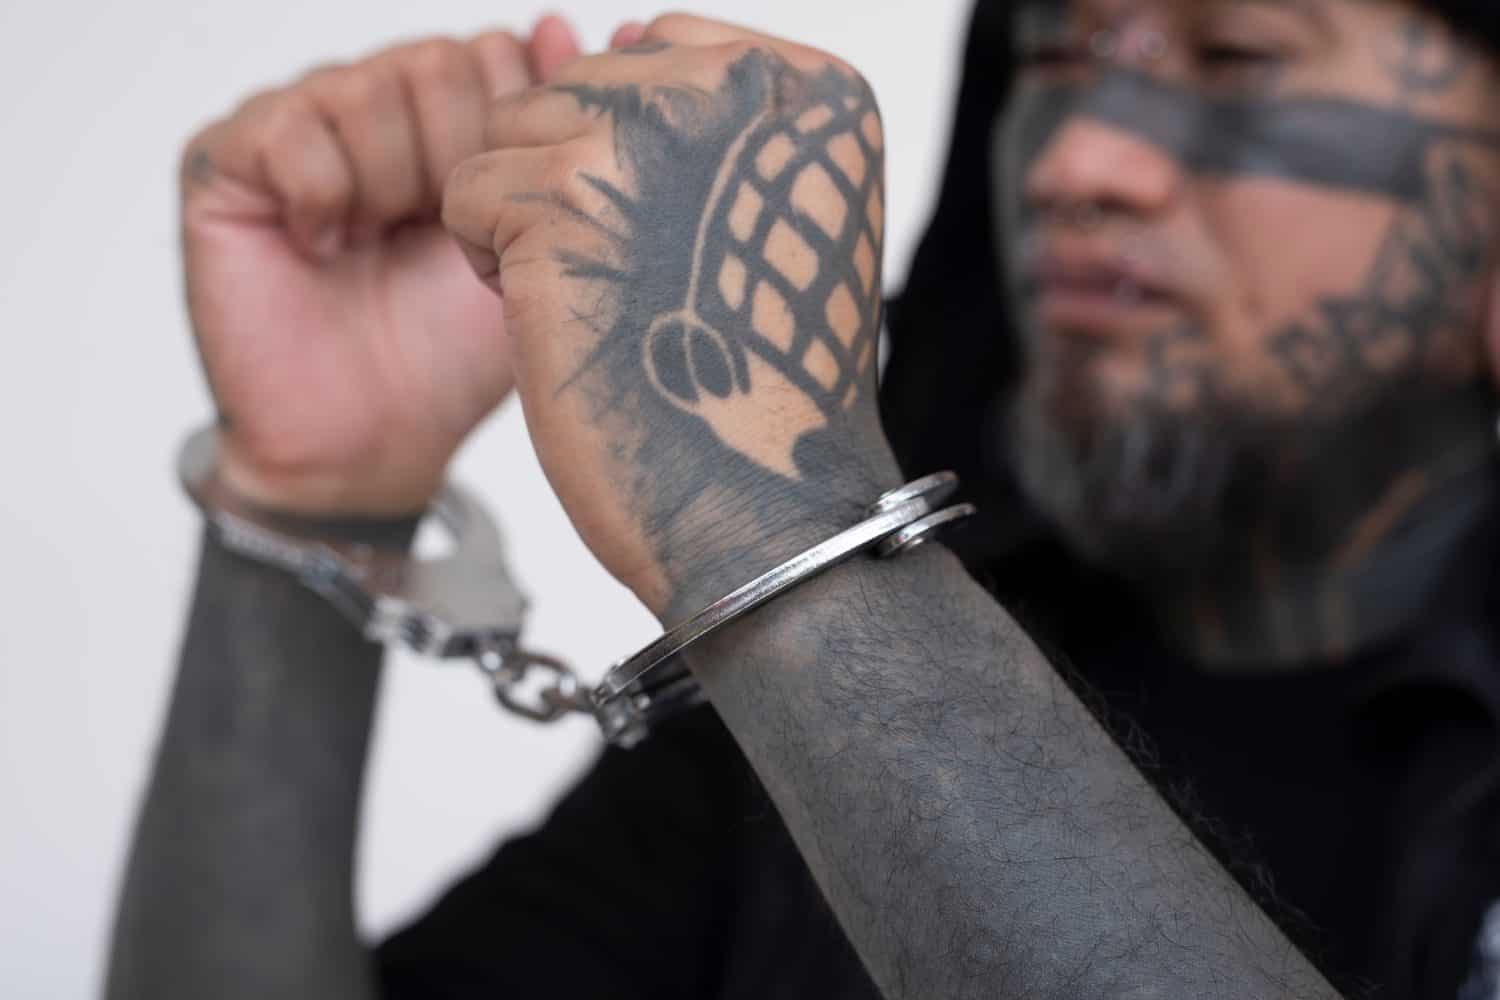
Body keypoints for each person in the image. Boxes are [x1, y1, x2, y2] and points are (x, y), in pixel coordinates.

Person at [105, 1, 1500, 996]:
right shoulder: (878, 673)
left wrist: (776, 521)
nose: (1076, 162)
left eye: (1241, 55)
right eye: (1053, 53)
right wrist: (314, 503)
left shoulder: (851, 633)